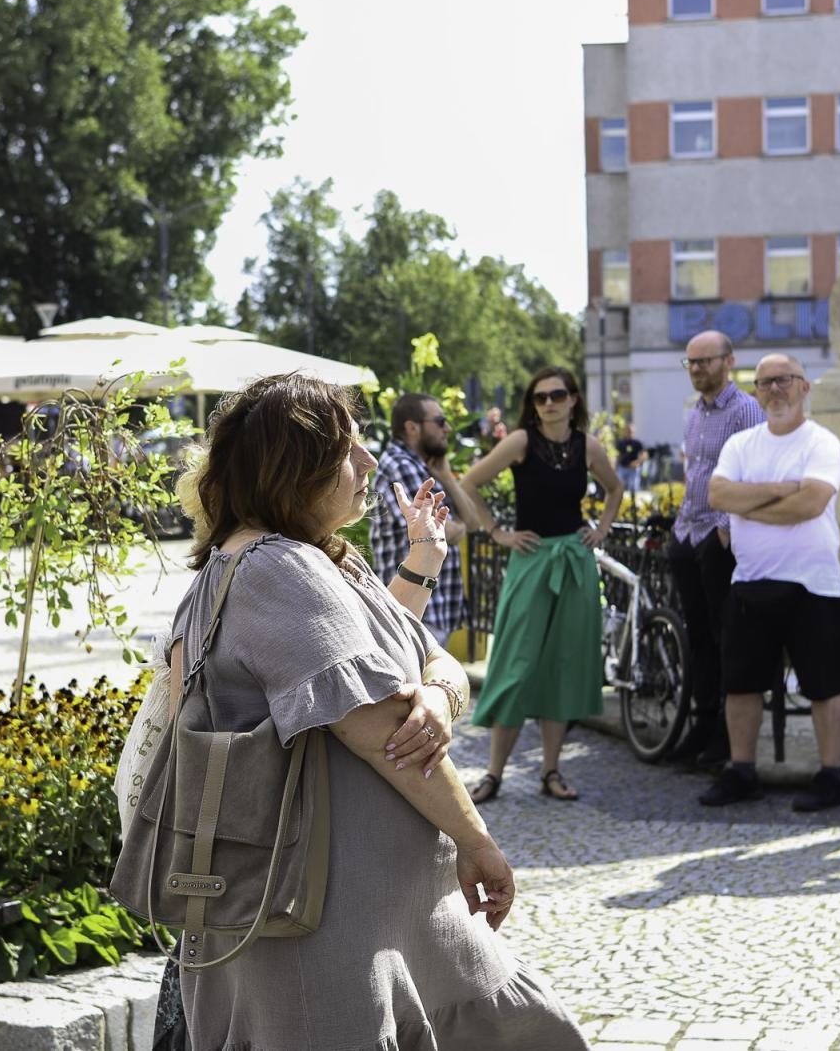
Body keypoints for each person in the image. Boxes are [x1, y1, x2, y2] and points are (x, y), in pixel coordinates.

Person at [154, 373, 587, 1051]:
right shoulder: (276, 570)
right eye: (347, 448)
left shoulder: (319, 560)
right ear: (294, 467)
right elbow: (384, 732)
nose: (369, 461)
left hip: (371, 917)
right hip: (320, 921)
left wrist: (437, 691)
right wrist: (476, 841)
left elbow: (422, 660)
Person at [451, 367, 623, 803]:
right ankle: (493, 774)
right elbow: (468, 482)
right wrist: (497, 532)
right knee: (515, 664)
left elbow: (615, 489)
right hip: (530, 561)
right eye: (540, 397)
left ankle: (551, 770)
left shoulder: (588, 446)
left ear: (573, 399)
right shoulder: (521, 441)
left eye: (557, 395)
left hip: (575, 562)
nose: (548, 403)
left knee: (563, 665)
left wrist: (601, 529)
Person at [701, 353, 840, 812]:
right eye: (764, 383)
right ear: (756, 392)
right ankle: (742, 771)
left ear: (804, 386)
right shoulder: (741, 444)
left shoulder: (821, 442)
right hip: (750, 581)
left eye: (784, 380)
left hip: (812, 584)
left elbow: (810, 505)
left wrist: (750, 505)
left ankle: (831, 777)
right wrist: (780, 488)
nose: (774, 390)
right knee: (741, 684)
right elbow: (717, 494)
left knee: (826, 686)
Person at [667, 330, 766, 767]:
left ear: (728, 361)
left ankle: (727, 735)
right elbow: (695, 472)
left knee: (726, 636)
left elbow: (753, 473)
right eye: (690, 362)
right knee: (698, 636)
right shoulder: (695, 413)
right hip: (689, 533)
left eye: (704, 361)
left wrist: (725, 529)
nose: (695, 369)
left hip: (719, 538)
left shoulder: (746, 410)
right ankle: (703, 722)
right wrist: (679, 526)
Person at [370, 392, 470, 646]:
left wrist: (446, 477)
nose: (447, 429)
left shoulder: (421, 467)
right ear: (412, 427)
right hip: (416, 612)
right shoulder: (401, 465)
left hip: (429, 609)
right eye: (440, 421)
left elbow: (473, 522)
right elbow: (444, 532)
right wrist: (458, 527)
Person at [614, 419, 645, 495]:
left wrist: (637, 463)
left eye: (631, 431)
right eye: (628, 431)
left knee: (633, 487)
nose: (630, 433)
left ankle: (633, 500)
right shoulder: (621, 443)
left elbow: (643, 455)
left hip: (633, 469)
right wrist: (615, 467)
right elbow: (617, 456)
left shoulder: (637, 443)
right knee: (618, 486)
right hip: (623, 467)